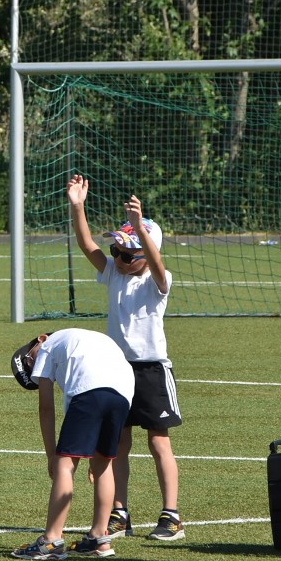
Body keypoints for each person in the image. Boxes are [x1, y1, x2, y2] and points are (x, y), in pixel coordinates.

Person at [67, 174, 184, 541]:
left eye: (126, 254)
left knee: (158, 441)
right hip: (116, 370)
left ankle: (171, 516)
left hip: (151, 369)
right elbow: (87, 245)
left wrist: (140, 229)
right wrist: (78, 207)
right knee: (118, 444)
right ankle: (120, 512)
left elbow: (156, 262)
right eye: (116, 251)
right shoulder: (115, 274)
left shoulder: (156, 282)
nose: (117, 258)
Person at [9, 328, 135, 560]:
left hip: (91, 392)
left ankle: (51, 541)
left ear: (40, 339)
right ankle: (100, 538)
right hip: (123, 393)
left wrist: (52, 456)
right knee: (103, 465)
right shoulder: (82, 340)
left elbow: (46, 408)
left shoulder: (47, 346)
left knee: (65, 466)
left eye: (29, 362)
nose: (34, 369)